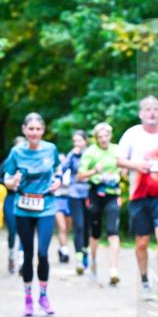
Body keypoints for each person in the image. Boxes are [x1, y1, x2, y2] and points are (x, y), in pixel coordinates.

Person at [117, 95, 158, 301]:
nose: (152, 112)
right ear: (141, 113)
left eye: (156, 109)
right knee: (142, 241)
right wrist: (136, 165)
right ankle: (145, 283)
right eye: (148, 109)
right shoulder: (132, 134)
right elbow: (119, 160)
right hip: (139, 194)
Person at [3, 115, 61, 316]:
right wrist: (12, 183)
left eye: (38, 129)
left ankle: (43, 295)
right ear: (24, 130)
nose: (34, 133)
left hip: (46, 205)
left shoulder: (51, 149)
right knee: (27, 254)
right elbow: (7, 177)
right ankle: (28, 298)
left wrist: (58, 181)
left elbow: (58, 169)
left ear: (43, 130)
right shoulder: (17, 152)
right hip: (23, 206)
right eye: (31, 129)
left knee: (43, 253)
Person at [77, 122, 122, 286]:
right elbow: (79, 176)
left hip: (113, 194)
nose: (103, 139)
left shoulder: (117, 149)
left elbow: (124, 168)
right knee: (95, 232)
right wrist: (94, 171)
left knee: (113, 231)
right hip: (95, 193)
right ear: (96, 138)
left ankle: (113, 270)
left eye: (106, 136)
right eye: (100, 137)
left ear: (110, 136)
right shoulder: (90, 152)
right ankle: (94, 263)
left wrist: (121, 174)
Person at [61, 130, 90, 275]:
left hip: (90, 194)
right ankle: (79, 257)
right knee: (78, 225)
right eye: (75, 141)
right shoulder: (72, 155)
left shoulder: (91, 154)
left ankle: (86, 252)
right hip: (74, 194)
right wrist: (71, 154)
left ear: (86, 141)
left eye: (79, 140)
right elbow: (62, 169)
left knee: (87, 227)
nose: (77, 144)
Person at [1, 136, 26, 274]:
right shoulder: (8, 162)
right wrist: (10, 183)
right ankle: (11, 255)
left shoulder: (31, 161)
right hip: (11, 199)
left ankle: (22, 260)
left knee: (24, 230)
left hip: (25, 199)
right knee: (12, 229)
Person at [54, 151, 73, 264]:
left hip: (69, 200)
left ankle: (61, 247)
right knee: (62, 227)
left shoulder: (70, 171)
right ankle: (65, 251)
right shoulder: (54, 172)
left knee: (67, 227)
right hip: (58, 200)